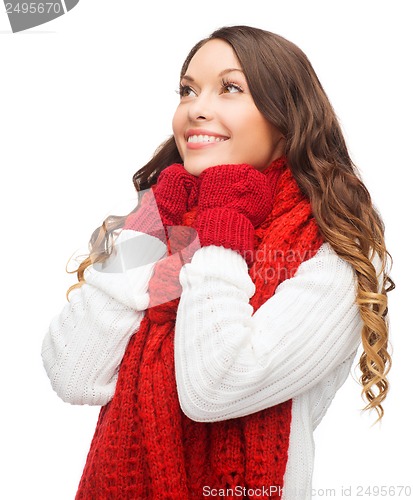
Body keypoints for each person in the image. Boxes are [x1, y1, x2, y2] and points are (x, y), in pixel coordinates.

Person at [41, 25, 394, 500]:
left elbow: (214, 387)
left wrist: (221, 224)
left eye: (230, 88)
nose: (196, 108)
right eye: (188, 90)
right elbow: (73, 372)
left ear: (285, 118)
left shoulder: (333, 248)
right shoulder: (167, 218)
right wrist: (150, 227)